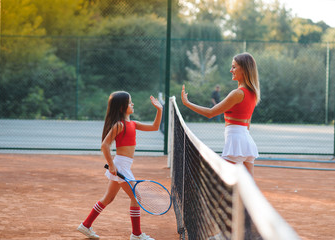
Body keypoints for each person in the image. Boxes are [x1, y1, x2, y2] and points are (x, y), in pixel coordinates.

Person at [77, 91, 163, 240]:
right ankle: (136, 234)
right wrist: (111, 165)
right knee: (137, 198)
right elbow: (105, 145)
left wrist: (159, 109)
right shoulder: (119, 125)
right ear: (122, 107)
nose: (133, 104)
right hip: (120, 166)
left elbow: (155, 127)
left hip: (122, 166)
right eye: (130, 102)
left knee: (108, 198)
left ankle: (86, 225)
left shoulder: (132, 124)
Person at [181, 52, 260, 176]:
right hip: (246, 142)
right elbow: (247, 123)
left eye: (234, 67)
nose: (231, 70)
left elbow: (210, 113)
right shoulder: (253, 93)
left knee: (219, 184)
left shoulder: (237, 93)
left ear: (244, 69)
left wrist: (187, 103)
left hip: (236, 144)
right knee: (247, 188)